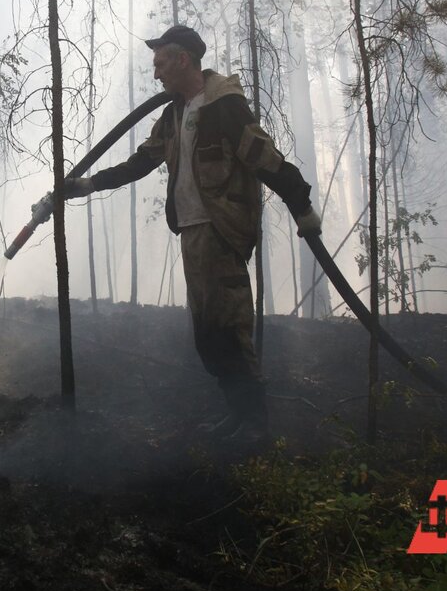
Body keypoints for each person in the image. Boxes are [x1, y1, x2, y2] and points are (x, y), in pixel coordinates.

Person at [65, 25, 322, 440]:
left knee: (229, 326)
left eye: (161, 64)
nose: (157, 75)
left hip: (221, 230)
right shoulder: (174, 114)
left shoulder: (224, 108)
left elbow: (265, 159)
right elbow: (141, 162)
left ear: (182, 59)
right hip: (191, 232)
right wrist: (87, 185)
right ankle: (237, 413)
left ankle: (255, 424)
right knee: (206, 331)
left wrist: (302, 206)